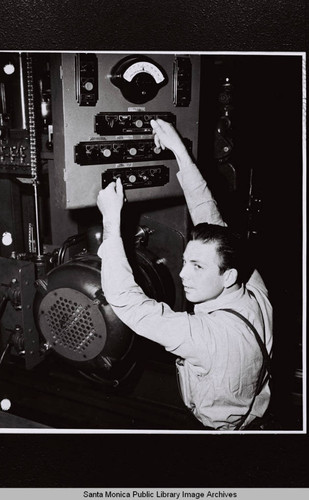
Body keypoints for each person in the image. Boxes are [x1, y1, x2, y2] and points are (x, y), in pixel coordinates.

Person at [97, 119, 273, 430]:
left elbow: (127, 302)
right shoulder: (254, 288)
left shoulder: (204, 337)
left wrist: (111, 221)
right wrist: (179, 150)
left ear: (228, 276)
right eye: (186, 261)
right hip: (255, 415)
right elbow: (211, 219)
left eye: (197, 266)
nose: (182, 275)